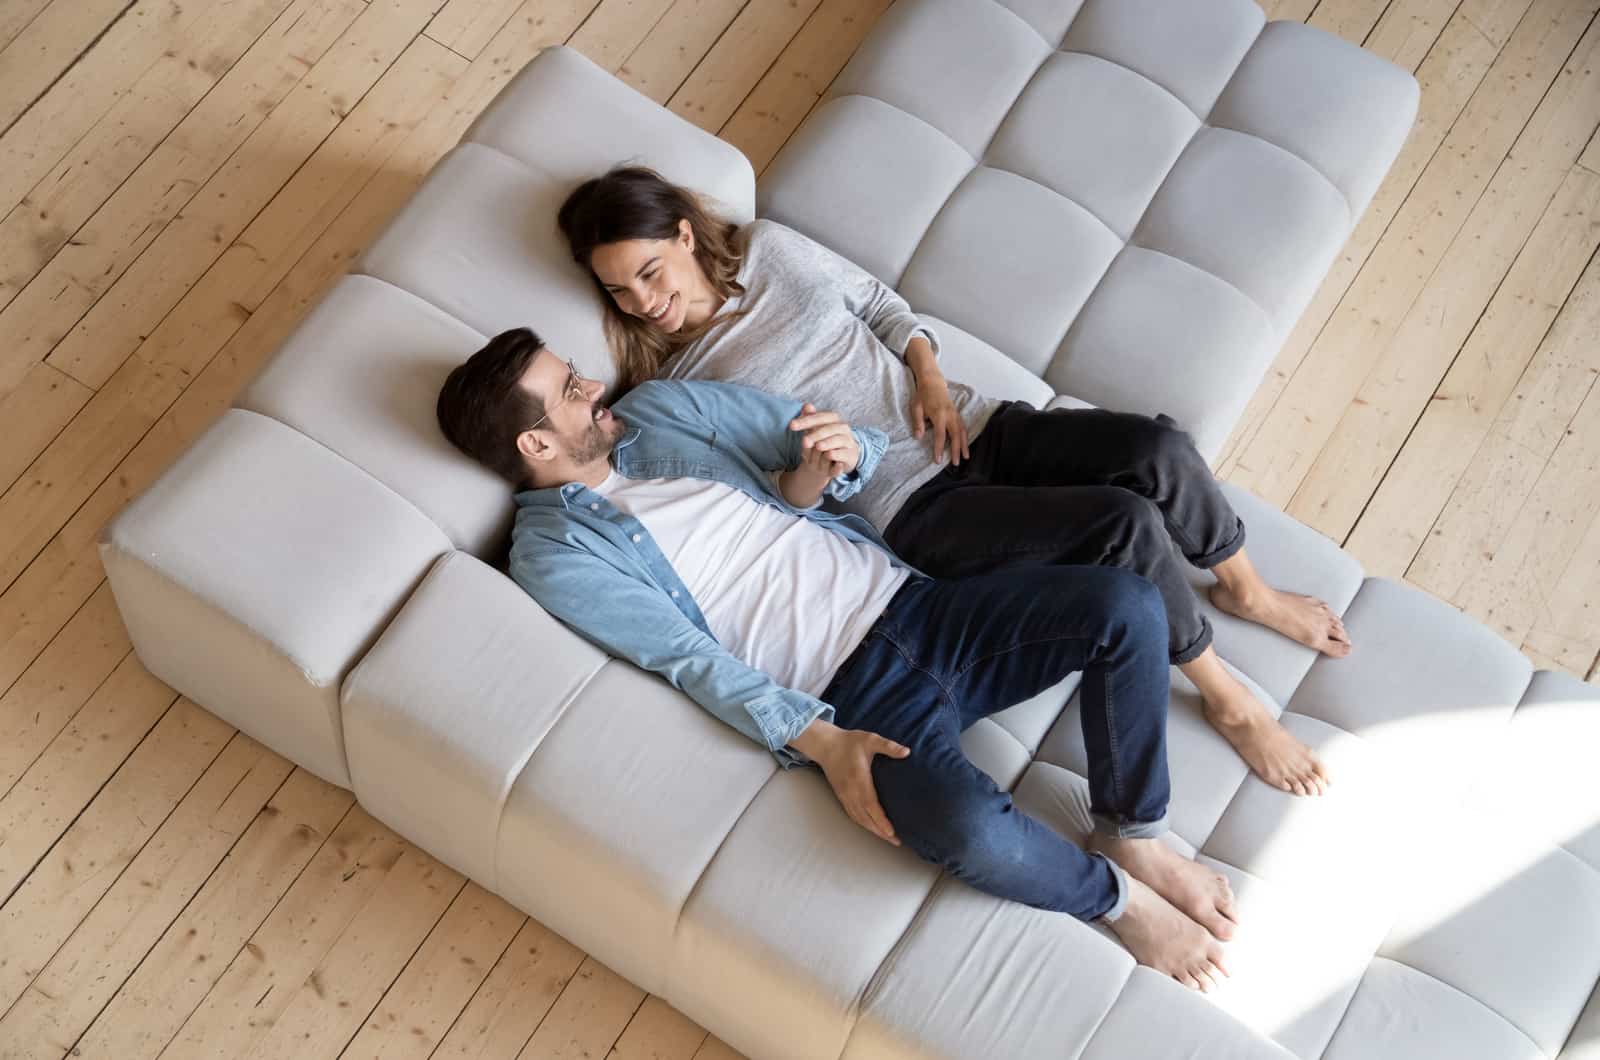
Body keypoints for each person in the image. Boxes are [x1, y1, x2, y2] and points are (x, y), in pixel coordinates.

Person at [435, 327, 1236, 991]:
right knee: (964, 827)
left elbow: (837, 441)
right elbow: (683, 658)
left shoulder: (662, 412)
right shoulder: (554, 554)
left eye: (577, 374)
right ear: (536, 442)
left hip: (919, 603)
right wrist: (819, 740)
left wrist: (826, 466)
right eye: (570, 392)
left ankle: (1133, 830)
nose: (592, 389)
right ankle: (1116, 901)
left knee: (1122, 603)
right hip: (852, 698)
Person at [557, 166, 1352, 798]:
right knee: (1121, 524)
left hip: (972, 423)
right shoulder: (675, 386)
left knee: (1157, 449)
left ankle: (1246, 588)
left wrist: (929, 376)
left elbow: (875, 303)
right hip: (912, 509)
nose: (645, 303)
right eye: (621, 292)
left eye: (651, 273)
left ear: (687, 236)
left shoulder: (769, 250)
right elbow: (766, 494)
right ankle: (1229, 698)